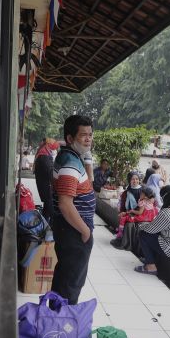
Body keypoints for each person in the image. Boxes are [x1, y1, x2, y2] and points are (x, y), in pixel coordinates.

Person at [50, 115, 96, 305]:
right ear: (70, 139)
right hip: (74, 230)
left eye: (90, 135)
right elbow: (65, 204)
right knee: (71, 283)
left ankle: (56, 323)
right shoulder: (70, 164)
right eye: (83, 135)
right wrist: (85, 231)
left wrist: (88, 159)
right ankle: (61, 326)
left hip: (69, 229)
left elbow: (89, 182)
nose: (88, 139)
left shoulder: (71, 157)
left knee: (66, 278)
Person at [34, 138, 60, 221]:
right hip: (46, 185)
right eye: (53, 148)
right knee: (50, 205)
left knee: (47, 205)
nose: (54, 150)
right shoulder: (44, 156)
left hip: (44, 184)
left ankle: (45, 222)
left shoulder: (42, 153)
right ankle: (54, 224)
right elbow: (50, 172)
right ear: (49, 146)